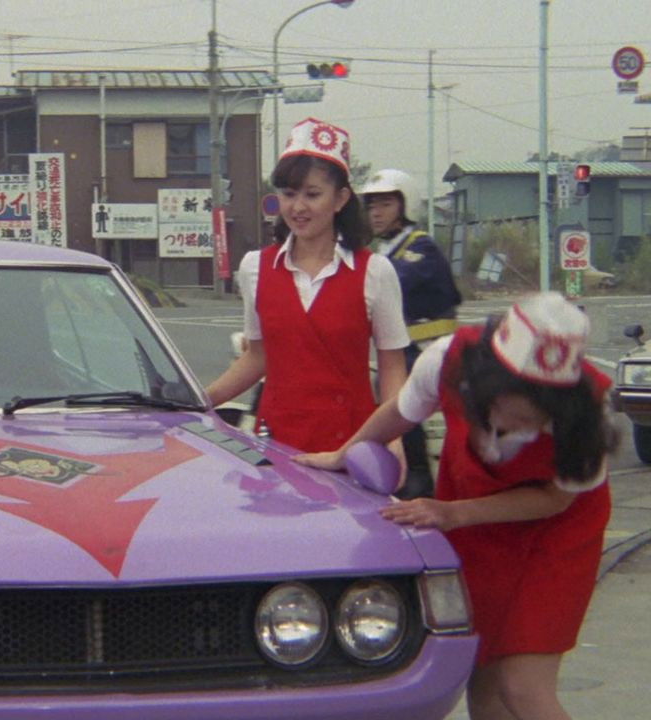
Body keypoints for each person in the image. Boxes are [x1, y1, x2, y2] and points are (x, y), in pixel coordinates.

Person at [297, 292, 616, 720]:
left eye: (536, 420)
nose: (521, 428)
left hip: (555, 531)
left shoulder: (590, 413)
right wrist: (344, 453)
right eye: (513, 413)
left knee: (522, 686)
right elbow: (400, 413)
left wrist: (455, 513)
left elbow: (555, 499)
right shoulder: (447, 360)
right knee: (481, 673)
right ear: (490, 386)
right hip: (470, 515)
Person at [204, 117, 411, 454]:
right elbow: (258, 356)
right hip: (275, 443)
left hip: (351, 445)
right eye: (289, 194)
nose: (298, 207)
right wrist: (202, 400)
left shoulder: (374, 272)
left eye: (313, 195)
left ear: (340, 199)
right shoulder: (256, 268)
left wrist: (394, 440)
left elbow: (391, 365)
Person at [361, 169, 463, 499]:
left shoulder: (420, 248)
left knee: (400, 397)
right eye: (372, 205)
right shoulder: (386, 250)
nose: (376, 213)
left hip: (428, 349)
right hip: (406, 347)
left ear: (406, 206)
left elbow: (388, 283)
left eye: (385, 204)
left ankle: (417, 474)